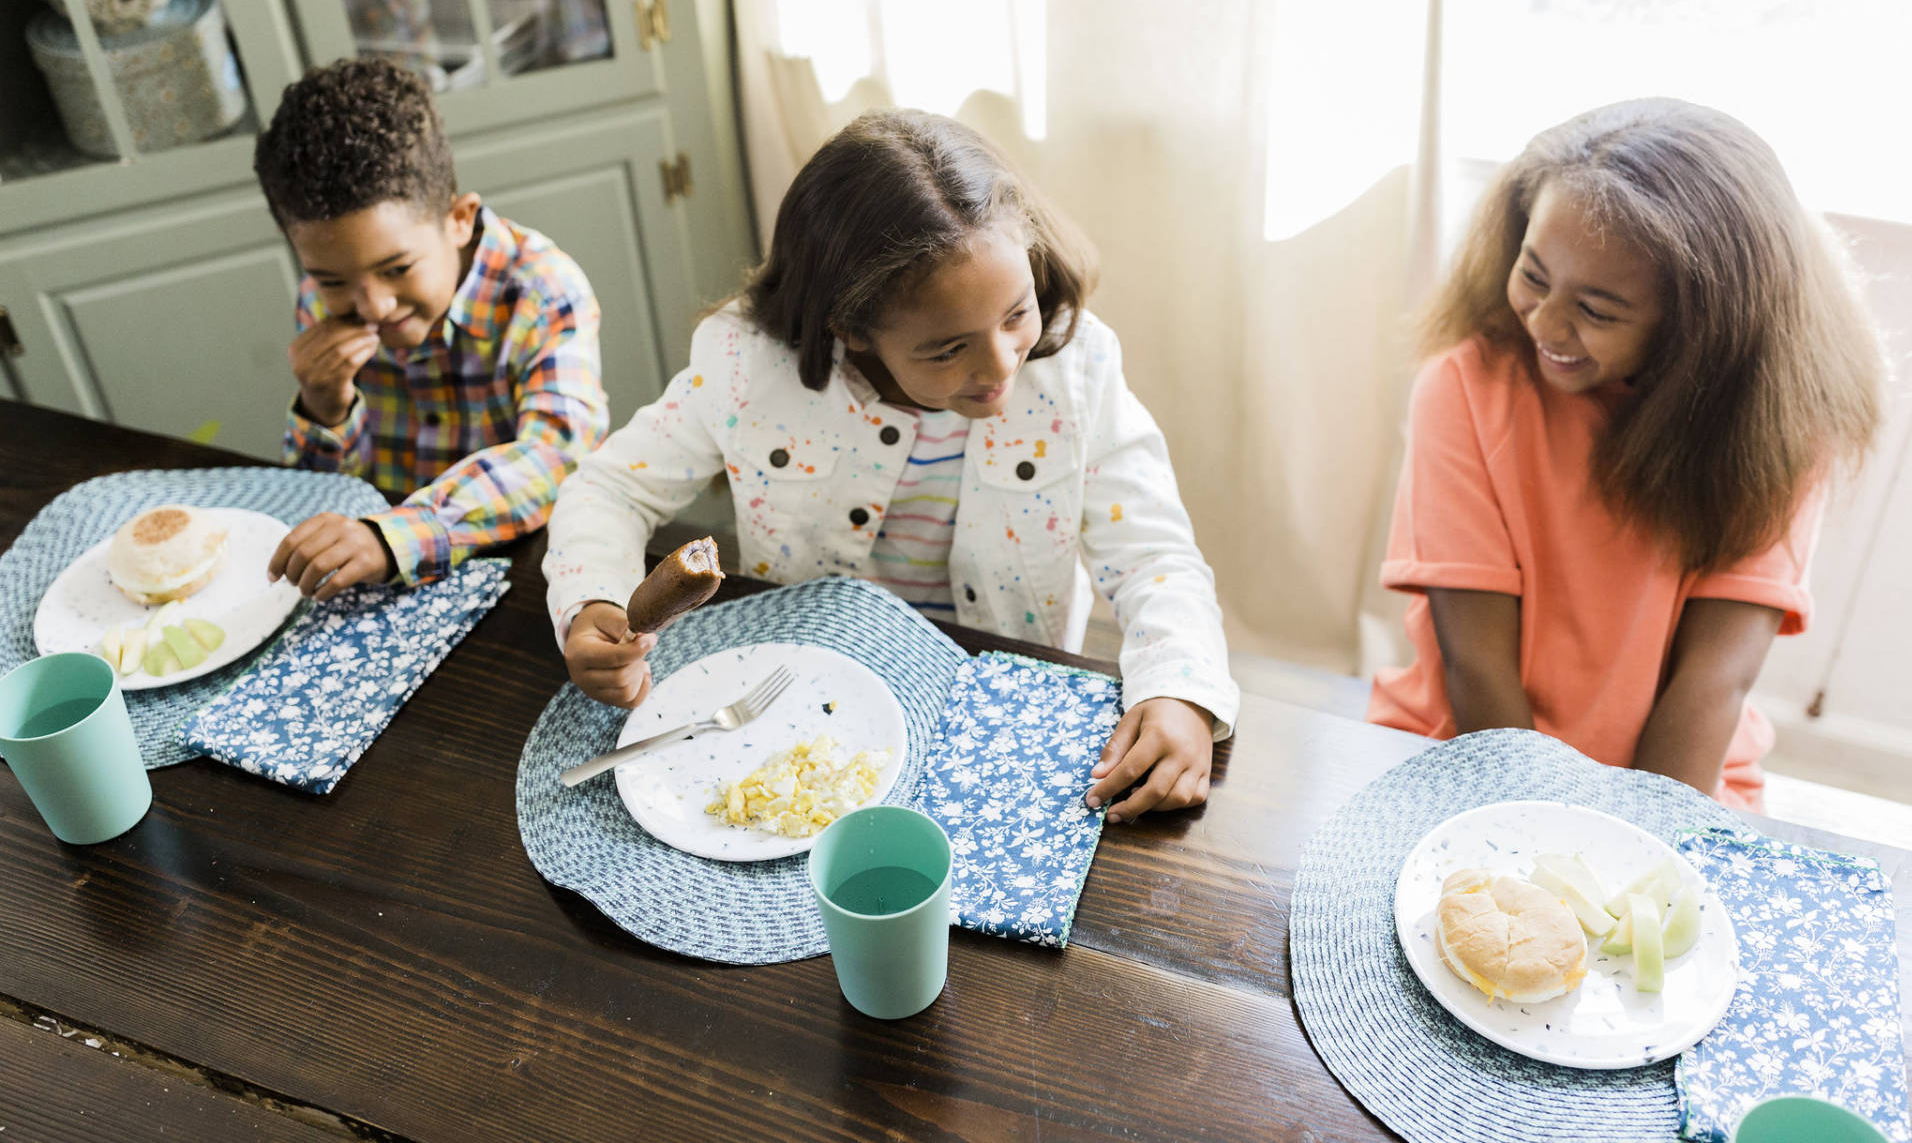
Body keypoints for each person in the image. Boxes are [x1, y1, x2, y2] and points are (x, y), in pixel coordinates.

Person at [543, 109, 1239, 821]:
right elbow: (609, 488)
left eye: (1016, 314)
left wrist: (1178, 689)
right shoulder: (746, 368)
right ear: (851, 327)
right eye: (947, 350)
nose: (1001, 365)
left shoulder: (1078, 371)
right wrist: (590, 600)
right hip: (800, 709)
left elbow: (1153, 552)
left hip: (998, 705)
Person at [1369, 98, 1883, 809]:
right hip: (1471, 757)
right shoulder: (1466, 386)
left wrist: (1630, 859)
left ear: (1699, 324)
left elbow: (1714, 681)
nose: (1546, 324)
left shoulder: (1784, 427)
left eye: (1597, 311)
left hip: (1680, 785)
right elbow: (1475, 663)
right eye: (1534, 275)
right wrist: (1537, 846)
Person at [251, 57, 609, 597]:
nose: (371, 306)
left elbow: (558, 454)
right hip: (377, 580)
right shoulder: (319, 304)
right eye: (330, 279)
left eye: (396, 269)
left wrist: (395, 536)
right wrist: (322, 409)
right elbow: (319, 504)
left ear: (459, 219)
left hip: (527, 574)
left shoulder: (543, 291)